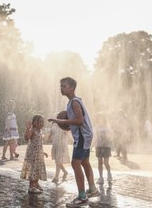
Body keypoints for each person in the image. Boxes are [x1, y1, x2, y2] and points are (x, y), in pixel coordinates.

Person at [48, 77, 99, 207]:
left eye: (64, 86)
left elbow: (79, 121)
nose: (61, 88)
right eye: (61, 86)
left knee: (75, 163)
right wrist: (67, 122)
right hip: (86, 135)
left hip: (82, 136)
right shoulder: (74, 101)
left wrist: (61, 121)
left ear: (71, 87)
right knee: (85, 162)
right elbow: (78, 121)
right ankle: (92, 189)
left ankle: (82, 197)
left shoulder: (74, 103)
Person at [20, 114, 48, 194]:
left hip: (38, 154)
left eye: (43, 122)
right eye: (40, 122)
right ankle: (31, 186)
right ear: (35, 122)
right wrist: (28, 128)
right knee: (33, 169)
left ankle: (36, 183)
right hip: (32, 155)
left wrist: (43, 152)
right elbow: (26, 138)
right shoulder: (32, 130)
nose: (42, 123)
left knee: (37, 169)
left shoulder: (39, 131)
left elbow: (39, 144)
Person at [93, 113, 113, 185]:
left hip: (106, 146)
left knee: (106, 162)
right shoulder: (97, 126)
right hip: (98, 146)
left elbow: (110, 136)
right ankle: (101, 178)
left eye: (100, 117)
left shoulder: (107, 126)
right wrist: (92, 144)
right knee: (99, 162)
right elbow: (95, 136)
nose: (99, 119)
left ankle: (109, 173)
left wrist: (105, 141)